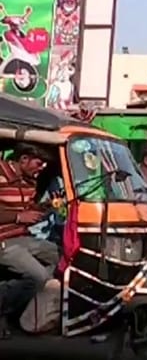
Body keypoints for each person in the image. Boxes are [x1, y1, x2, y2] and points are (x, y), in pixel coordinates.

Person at [0, 144, 61, 337]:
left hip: (22, 237)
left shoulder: (30, 181)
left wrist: (44, 207)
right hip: (3, 240)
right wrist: (18, 217)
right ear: (23, 159)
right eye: (39, 163)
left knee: (63, 256)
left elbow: (26, 209)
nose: (42, 167)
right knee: (39, 277)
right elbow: (20, 214)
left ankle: (28, 308)